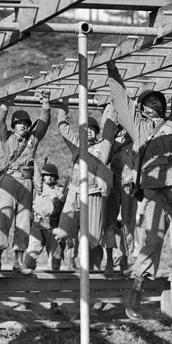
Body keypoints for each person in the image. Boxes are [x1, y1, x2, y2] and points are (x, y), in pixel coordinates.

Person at [106, 43, 172, 320]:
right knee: (151, 240)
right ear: (142, 108)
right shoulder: (138, 126)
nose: (154, 106)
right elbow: (120, 99)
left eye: (158, 103)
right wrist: (111, 67)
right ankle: (137, 288)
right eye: (149, 103)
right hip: (154, 189)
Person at [0, 92, 51, 274]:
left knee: (24, 220)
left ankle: (18, 260)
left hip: (26, 182)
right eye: (19, 124)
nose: (22, 126)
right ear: (14, 126)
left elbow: (44, 123)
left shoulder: (32, 140)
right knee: (4, 217)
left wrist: (46, 103)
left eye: (25, 124)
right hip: (9, 179)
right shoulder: (7, 138)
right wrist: (6, 104)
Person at [54, 103, 117, 270]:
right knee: (64, 228)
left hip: (94, 192)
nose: (89, 131)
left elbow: (110, 129)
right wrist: (63, 105)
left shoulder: (103, 147)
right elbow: (64, 128)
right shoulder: (77, 146)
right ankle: (59, 252)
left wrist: (112, 104)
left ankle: (91, 266)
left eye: (92, 129)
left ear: (96, 132)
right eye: (86, 128)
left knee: (93, 236)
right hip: (75, 191)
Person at [104, 126, 139, 274]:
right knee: (108, 222)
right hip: (111, 184)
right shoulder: (110, 139)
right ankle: (110, 259)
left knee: (128, 223)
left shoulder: (137, 140)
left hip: (128, 187)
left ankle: (124, 257)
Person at [24, 162, 66, 272]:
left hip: (54, 227)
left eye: (53, 175)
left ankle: (54, 288)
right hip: (38, 226)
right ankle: (27, 287)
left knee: (54, 262)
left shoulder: (61, 191)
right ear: (43, 176)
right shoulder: (38, 188)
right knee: (29, 260)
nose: (50, 177)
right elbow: (36, 174)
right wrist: (33, 161)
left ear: (56, 178)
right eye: (47, 175)